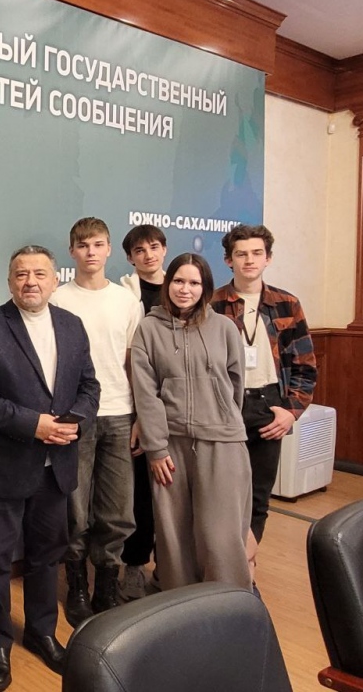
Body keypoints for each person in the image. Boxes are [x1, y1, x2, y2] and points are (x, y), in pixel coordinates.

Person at [0, 245, 100, 691]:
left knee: (47, 556)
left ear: (55, 280)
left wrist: (74, 422)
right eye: (21, 274)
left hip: (55, 467)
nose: (30, 281)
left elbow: (89, 386)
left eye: (40, 273)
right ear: (9, 282)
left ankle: (42, 632)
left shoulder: (72, 325)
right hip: (3, 466)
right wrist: (32, 425)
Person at [130, 253, 252, 591]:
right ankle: (179, 605)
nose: (185, 289)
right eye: (179, 281)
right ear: (168, 284)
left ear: (205, 288)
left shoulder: (224, 328)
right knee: (174, 534)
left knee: (220, 534)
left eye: (194, 283)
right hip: (170, 446)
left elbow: (235, 385)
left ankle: (229, 603)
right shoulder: (148, 329)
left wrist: (223, 421)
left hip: (222, 442)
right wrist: (156, 448)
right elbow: (146, 392)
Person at [50, 217, 142, 627]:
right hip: (75, 414)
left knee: (117, 509)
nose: (91, 252)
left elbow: (134, 361)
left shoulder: (127, 301)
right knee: (75, 507)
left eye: (98, 244)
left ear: (108, 249)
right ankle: (77, 586)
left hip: (120, 413)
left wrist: (140, 416)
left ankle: (107, 584)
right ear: (72, 251)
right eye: (83, 245)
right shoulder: (58, 299)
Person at [211, 224, 316, 579]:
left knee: (258, 497)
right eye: (241, 254)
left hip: (271, 405)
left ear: (268, 258)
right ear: (228, 260)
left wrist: (291, 412)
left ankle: (246, 570)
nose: (249, 260)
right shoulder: (211, 304)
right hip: (227, 406)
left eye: (257, 253)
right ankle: (223, 568)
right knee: (223, 496)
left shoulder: (287, 304)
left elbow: (305, 366)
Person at [118, 224, 167, 601]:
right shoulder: (125, 296)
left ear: (164, 249)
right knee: (140, 495)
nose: (148, 255)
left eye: (153, 247)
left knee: (178, 492)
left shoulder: (184, 287)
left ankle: (171, 565)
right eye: (139, 250)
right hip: (139, 405)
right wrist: (138, 415)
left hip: (180, 405)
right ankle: (134, 564)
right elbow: (130, 359)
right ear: (130, 257)